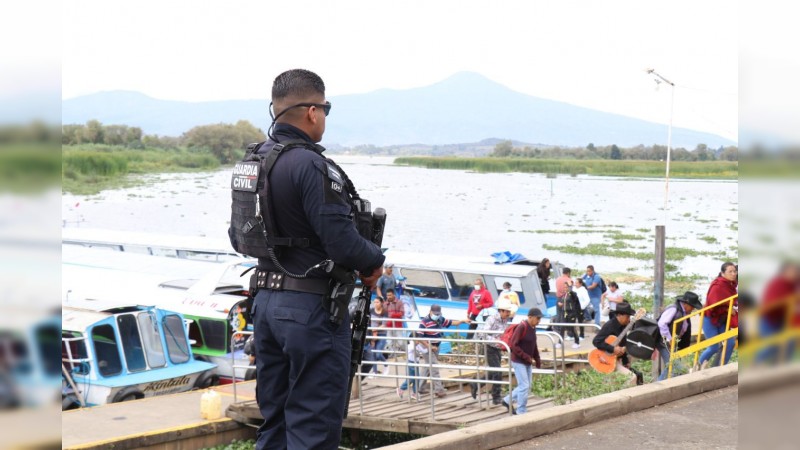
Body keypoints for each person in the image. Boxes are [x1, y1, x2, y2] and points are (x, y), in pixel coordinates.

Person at [248, 69, 384, 450]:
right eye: (325, 109)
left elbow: (237, 235)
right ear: (312, 111)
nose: (324, 116)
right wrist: (374, 260)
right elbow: (342, 242)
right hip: (310, 309)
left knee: (274, 419)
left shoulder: (255, 160)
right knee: (314, 423)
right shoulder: (311, 165)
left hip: (265, 301)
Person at [417, 304, 470, 398]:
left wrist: (462, 321)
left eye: (438, 314)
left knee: (428, 367)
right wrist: (429, 346)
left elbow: (452, 323)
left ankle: (420, 388)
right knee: (434, 367)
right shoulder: (424, 322)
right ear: (430, 312)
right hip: (427, 347)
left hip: (436, 346)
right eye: (435, 314)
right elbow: (419, 337)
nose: (436, 315)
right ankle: (439, 390)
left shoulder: (440, 319)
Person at [472, 298, 517, 405]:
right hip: (489, 347)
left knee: (494, 371)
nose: (508, 313)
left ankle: (476, 384)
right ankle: (496, 396)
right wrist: (496, 341)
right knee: (497, 371)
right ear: (501, 311)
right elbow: (483, 333)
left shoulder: (505, 320)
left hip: (497, 347)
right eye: (507, 311)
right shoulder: (492, 319)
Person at [697, 262, 738, 370]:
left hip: (723, 318)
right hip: (710, 318)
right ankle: (697, 366)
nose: (733, 274)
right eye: (730, 271)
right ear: (722, 273)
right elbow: (713, 304)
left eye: (735, 271)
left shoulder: (731, 285)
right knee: (714, 346)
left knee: (730, 343)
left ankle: (719, 368)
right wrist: (728, 308)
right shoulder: (718, 285)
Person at [502, 308, 543, 415]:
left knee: (526, 386)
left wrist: (537, 359)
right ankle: (521, 410)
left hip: (527, 361)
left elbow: (534, 345)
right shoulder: (522, 327)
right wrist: (526, 357)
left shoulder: (533, 328)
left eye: (540, 319)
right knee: (524, 385)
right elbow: (513, 345)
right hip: (518, 361)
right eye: (537, 318)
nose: (539, 321)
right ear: (530, 317)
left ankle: (507, 400)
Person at [655, 291, 703, 380]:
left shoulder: (685, 314)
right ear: (686, 304)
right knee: (673, 366)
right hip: (664, 342)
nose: (692, 309)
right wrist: (669, 339)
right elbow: (661, 324)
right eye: (692, 307)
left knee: (672, 366)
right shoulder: (674, 309)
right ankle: (657, 386)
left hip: (673, 344)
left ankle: (659, 385)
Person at [592, 302, 638, 386]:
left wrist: (625, 361)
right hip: (607, 358)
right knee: (632, 377)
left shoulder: (624, 326)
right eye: (627, 317)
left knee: (613, 384)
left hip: (617, 359)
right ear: (620, 315)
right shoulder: (609, 326)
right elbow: (596, 341)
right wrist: (613, 349)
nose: (629, 319)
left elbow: (623, 344)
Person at [369, 297, 389, 377]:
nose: (375, 304)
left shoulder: (385, 312)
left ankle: (386, 365)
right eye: (374, 302)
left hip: (382, 334)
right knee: (372, 353)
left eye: (377, 302)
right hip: (372, 334)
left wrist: (374, 330)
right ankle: (374, 372)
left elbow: (384, 325)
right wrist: (372, 331)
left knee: (378, 354)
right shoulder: (371, 310)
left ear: (381, 303)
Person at [554, 268, 573, 340]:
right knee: (566, 315)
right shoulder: (569, 280)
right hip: (565, 298)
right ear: (568, 273)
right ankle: (567, 332)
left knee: (558, 314)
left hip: (558, 298)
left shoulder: (558, 279)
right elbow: (570, 291)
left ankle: (557, 329)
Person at [384, 290, 405, 354]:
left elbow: (402, 313)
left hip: (398, 325)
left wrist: (393, 315)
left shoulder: (399, 302)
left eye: (390, 295)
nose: (388, 297)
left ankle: (399, 352)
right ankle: (391, 354)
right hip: (389, 325)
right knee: (389, 341)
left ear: (393, 295)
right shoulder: (385, 303)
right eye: (387, 295)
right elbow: (384, 313)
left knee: (400, 341)